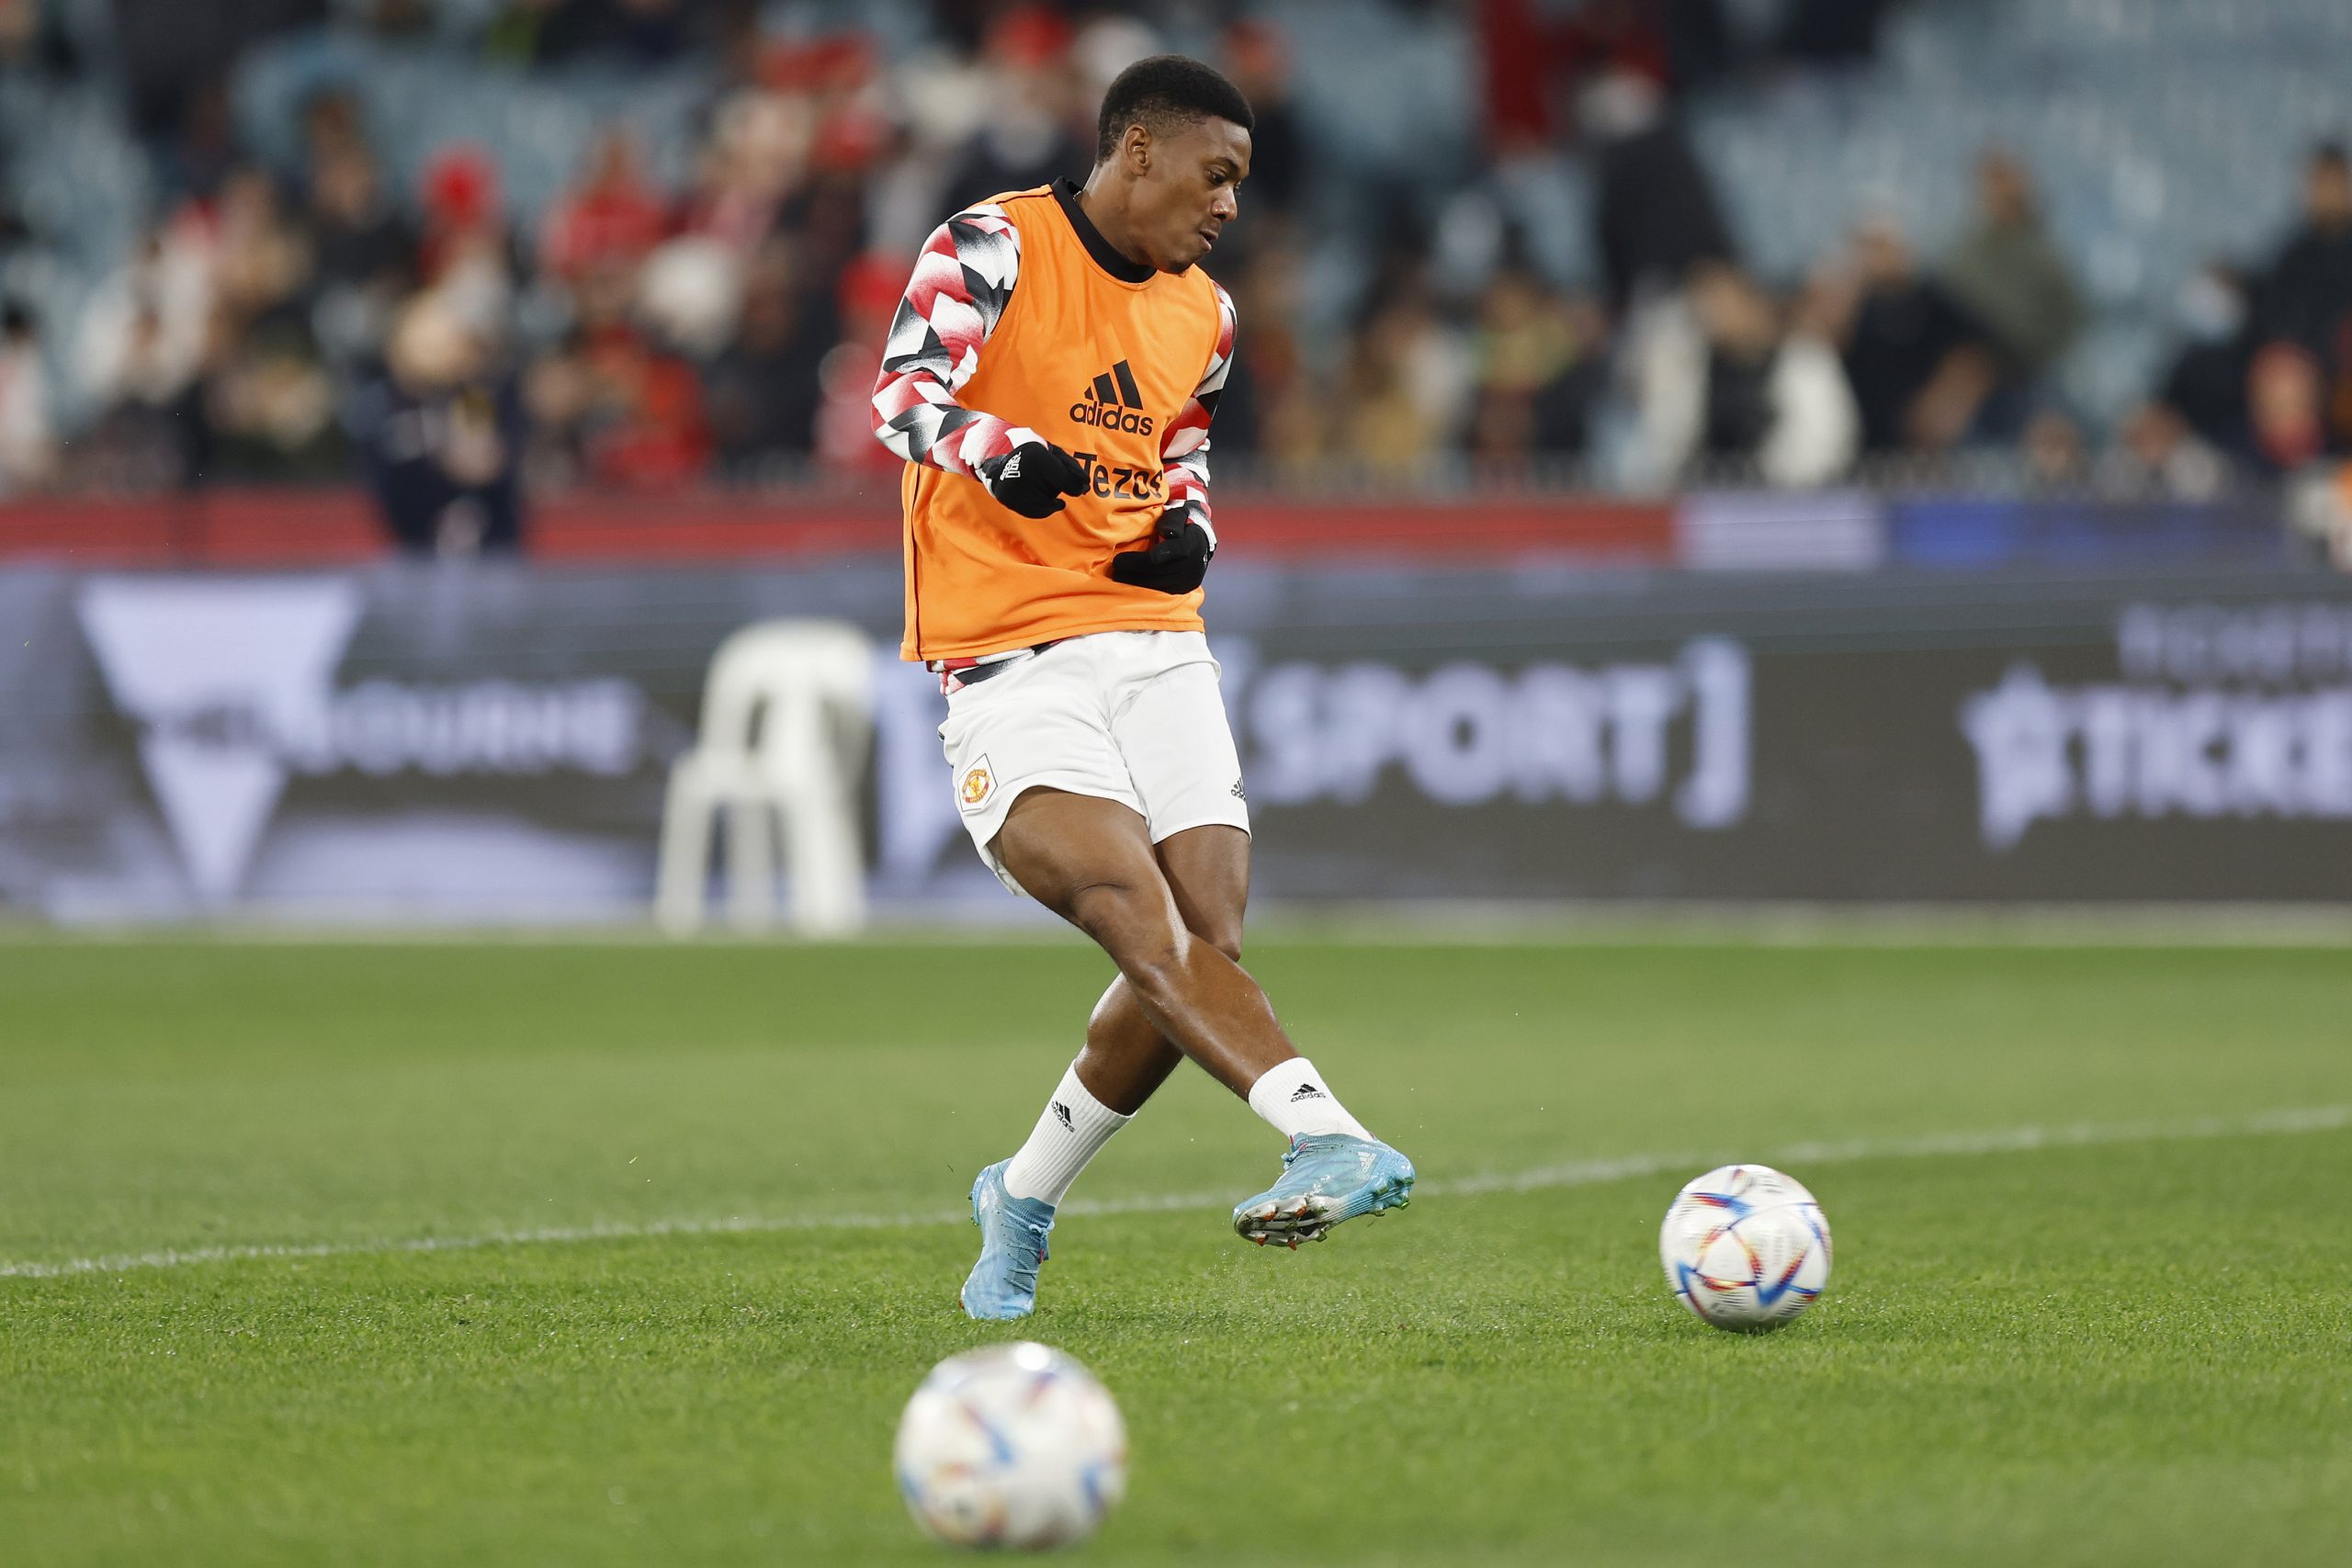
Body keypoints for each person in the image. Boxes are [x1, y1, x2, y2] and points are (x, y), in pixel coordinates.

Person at [870, 54, 1415, 1322]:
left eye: (1242, 182)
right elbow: (902, 395)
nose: (1229, 204)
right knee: (1131, 906)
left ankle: (1022, 1193)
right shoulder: (992, 243)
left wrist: (1192, 527)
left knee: (1203, 933)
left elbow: (1182, 450)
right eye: (1214, 175)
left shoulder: (1204, 316)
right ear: (1137, 153)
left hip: (1155, 640)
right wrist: (997, 451)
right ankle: (1326, 1132)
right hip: (1007, 651)